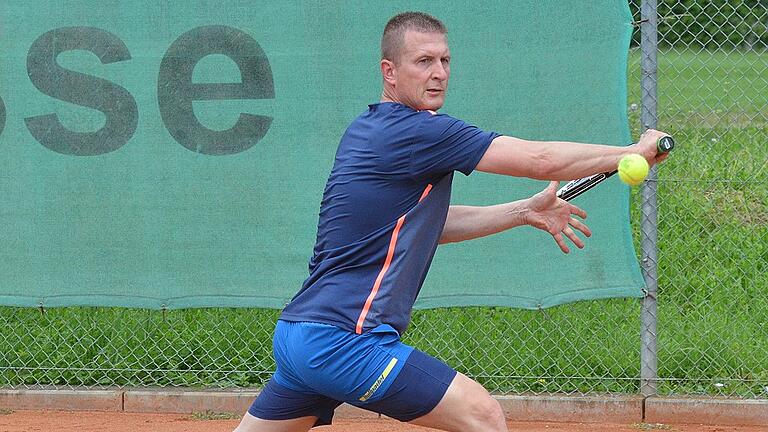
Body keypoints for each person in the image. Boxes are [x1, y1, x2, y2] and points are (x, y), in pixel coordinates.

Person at [235, 11, 669, 432]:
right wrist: (631, 151)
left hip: (300, 336)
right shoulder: (420, 132)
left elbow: (424, 227)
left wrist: (522, 212)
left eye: (444, 60)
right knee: (483, 415)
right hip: (345, 341)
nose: (438, 72)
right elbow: (539, 159)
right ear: (390, 71)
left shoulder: (368, 128)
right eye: (423, 61)